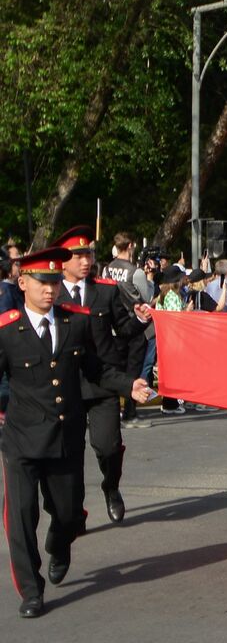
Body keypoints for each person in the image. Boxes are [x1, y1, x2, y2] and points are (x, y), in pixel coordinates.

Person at [1, 247, 154, 617]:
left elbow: (96, 369)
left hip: (65, 436)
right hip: (21, 438)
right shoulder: (6, 329)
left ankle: (60, 543)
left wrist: (127, 385)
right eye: (42, 282)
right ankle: (32, 591)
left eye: (54, 281)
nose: (50, 289)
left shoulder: (75, 322)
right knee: (21, 517)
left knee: (69, 515)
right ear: (23, 283)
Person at [53, 226, 151, 522]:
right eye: (78, 255)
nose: (85, 260)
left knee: (108, 445)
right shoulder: (51, 293)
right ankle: (75, 509)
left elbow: (123, 329)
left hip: (104, 378)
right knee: (69, 453)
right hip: (68, 384)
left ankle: (111, 486)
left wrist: (138, 318)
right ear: (63, 261)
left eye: (89, 254)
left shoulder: (105, 290)